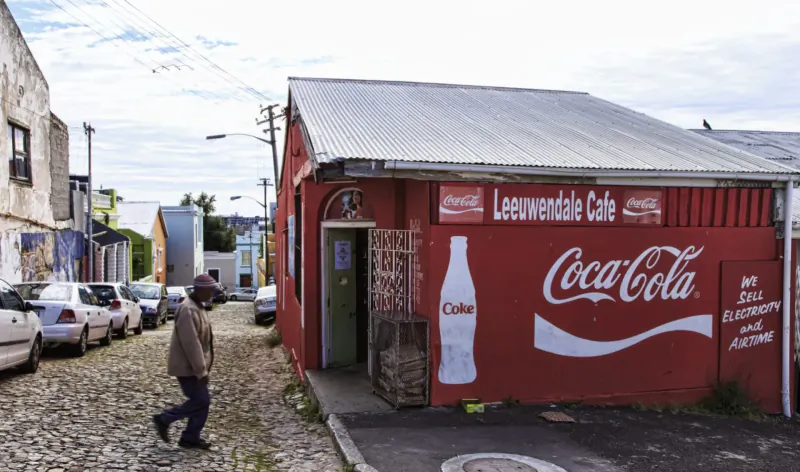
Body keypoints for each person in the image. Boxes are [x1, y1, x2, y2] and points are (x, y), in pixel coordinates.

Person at [152, 273, 216, 449]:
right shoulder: (188, 309)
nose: (212, 293)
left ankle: (190, 437)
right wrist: (201, 370)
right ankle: (165, 419)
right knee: (201, 401)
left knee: (202, 402)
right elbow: (191, 343)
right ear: (201, 290)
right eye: (210, 290)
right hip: (187, 367)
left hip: (195, 366)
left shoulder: (198, 306)